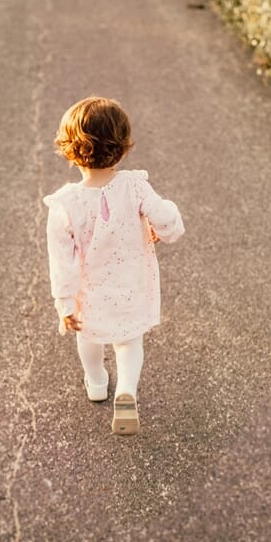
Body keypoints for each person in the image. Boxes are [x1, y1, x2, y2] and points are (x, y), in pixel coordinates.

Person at [43, 96, 184, 435]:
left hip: (88, 292)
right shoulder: (134, 186)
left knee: (89, 336)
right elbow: (165, 218)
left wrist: (64, 304)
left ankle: (95, 382)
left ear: (69, 150)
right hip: (132, 284)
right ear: (122, 147)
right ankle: (126, 391)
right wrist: (166, 228)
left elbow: (61, 261)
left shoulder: (64, 205)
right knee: (128, 340)